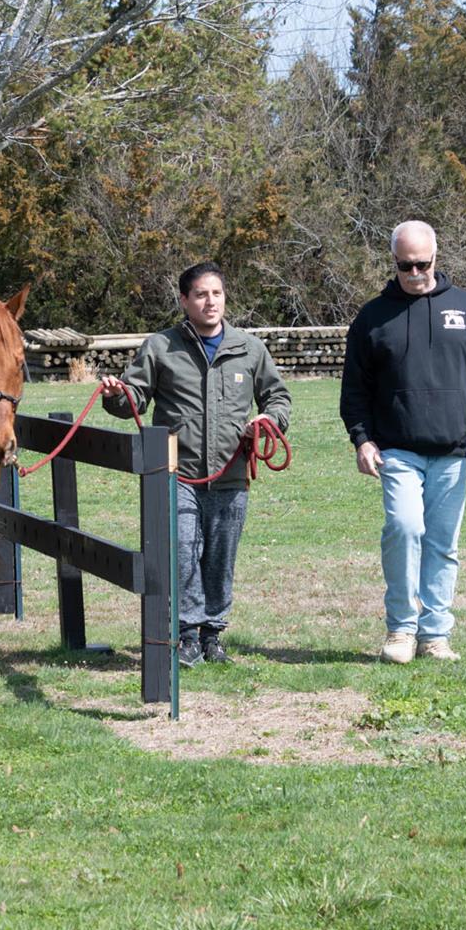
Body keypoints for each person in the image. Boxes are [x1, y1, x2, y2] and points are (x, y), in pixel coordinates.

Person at [340, 221, 466, 664]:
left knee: (441, 543)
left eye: (422, 264)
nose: (414, 273)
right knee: (404, 529)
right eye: (405, 266)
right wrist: (362, 440)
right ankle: (401, 629)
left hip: (452, 451)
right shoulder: (373, 317)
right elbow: (355, 389)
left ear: (436, 257)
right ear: (394, 262)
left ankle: (435, 635)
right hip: (396, 449)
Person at [100, 262, 291, 666]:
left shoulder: (249, 349)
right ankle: (186, 635)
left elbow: (277, 396)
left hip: (231, 474)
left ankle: (213, 636)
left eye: (216, 293)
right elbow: (134, 398)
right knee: (183, 553)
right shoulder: (160, 347)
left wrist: (269, 419)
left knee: (220, 558)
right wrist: (118, 395)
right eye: (201, 294)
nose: (210, 302)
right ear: (184, 300)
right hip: (177, 474)